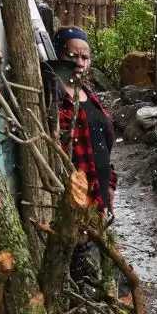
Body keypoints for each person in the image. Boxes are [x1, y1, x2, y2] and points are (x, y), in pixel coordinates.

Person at [52, 27, 117, 219]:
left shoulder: (88, 93)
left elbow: (101, 145)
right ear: (58, 56)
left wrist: (109, 184)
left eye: (85, 57)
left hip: (98, 194)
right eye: (72, 56)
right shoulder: (53, 99)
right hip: (73, 199)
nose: (80, 63)